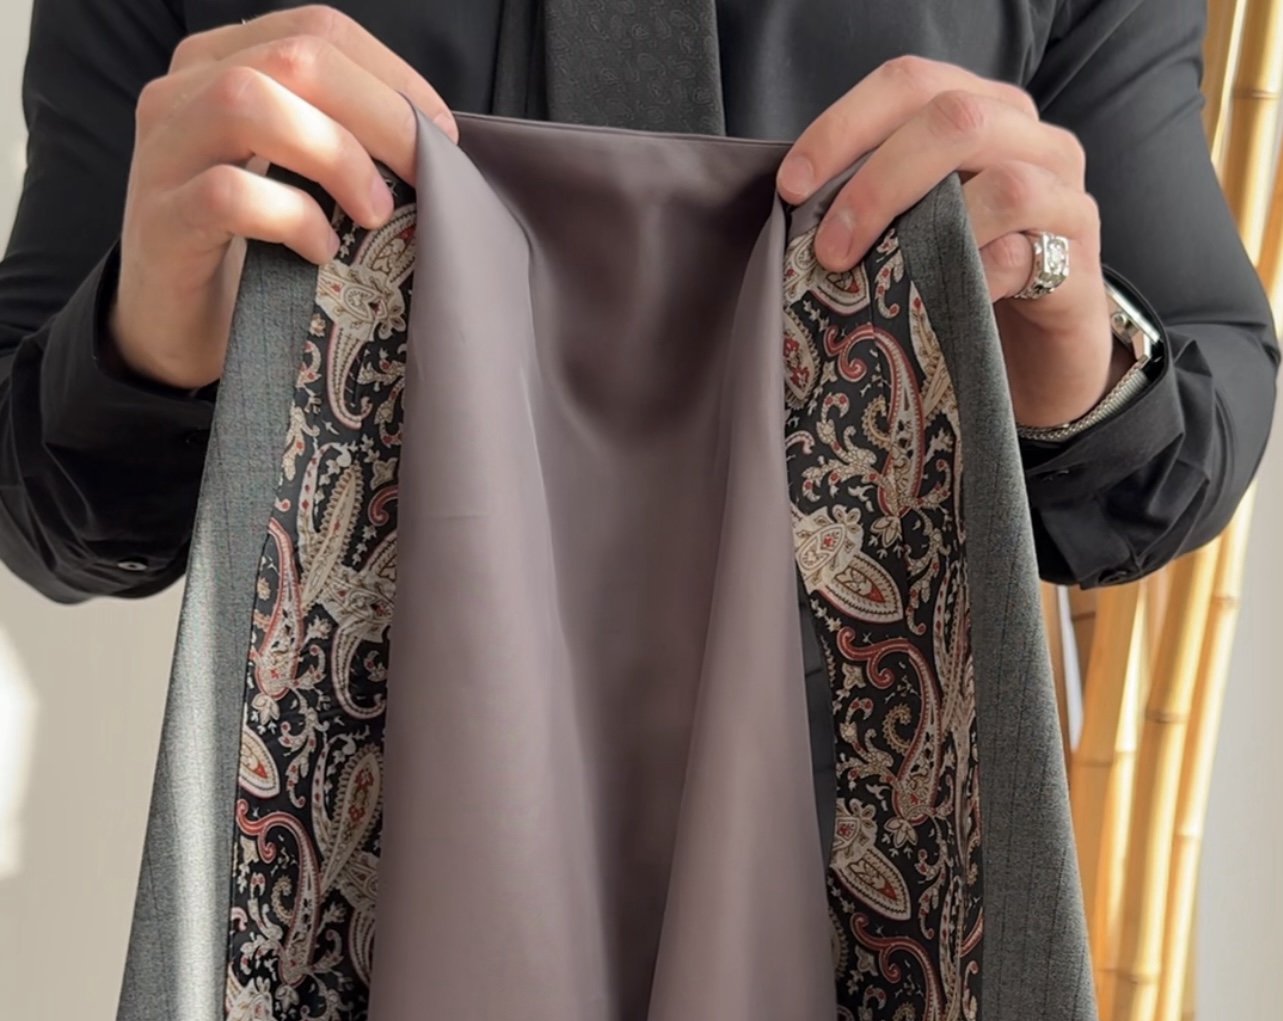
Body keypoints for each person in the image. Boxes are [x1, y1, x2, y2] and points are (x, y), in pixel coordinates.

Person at [0, 0, 1276, 602]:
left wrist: (1065, 334)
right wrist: (146, 335)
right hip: (336, 867)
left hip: (887, 839)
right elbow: (33, 490)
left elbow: (1203, 389)